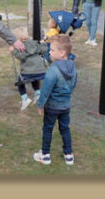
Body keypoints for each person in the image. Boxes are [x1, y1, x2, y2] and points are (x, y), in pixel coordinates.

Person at [33, 34, 77, 166]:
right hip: (66, 105)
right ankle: (68, 155)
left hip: (52, 106)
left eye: (52, 50)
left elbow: (46, 89)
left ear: (62, 53)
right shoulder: (73, 66)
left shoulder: (53, 69)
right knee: (65, 128)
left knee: (47, 128)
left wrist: (40, 104)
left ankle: (45, 155)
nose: (49, 52)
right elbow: (74, 84)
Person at [10, 27, 48, 111]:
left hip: (27, 72)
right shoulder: (35, 42)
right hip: (40, 71)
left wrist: (13, 51)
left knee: (20, 83)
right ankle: (37, 93)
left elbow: (21, 56)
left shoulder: (20, 46)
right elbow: (44, 50)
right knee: (35, 79)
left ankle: (25, 99)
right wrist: (43, 43)